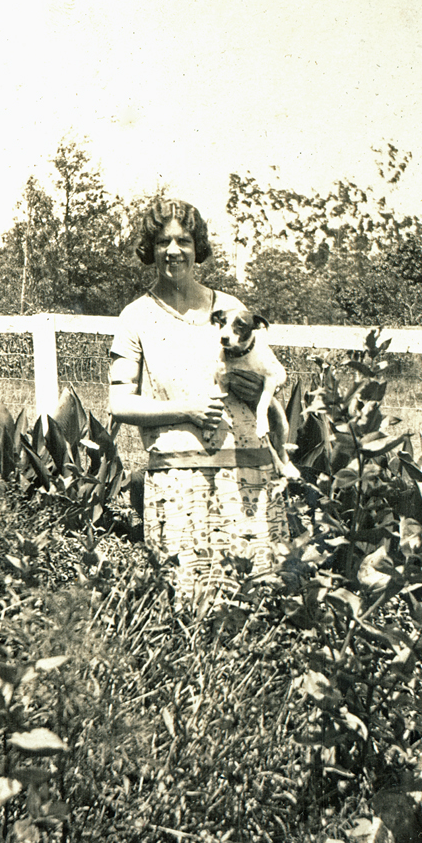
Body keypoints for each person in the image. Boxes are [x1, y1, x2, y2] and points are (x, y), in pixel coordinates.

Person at [108, 199, 290, 597]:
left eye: (184, 241)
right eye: (163, 242)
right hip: (180, 482)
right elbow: (119, 404)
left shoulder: (231, 309)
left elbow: (269, 375)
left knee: (256, 598)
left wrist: (257, 389)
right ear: (151, 248)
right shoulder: (135, 317)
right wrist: (185, 409)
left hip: (247, 477)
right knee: (186, 602)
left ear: (198, 248)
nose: (173, 250)